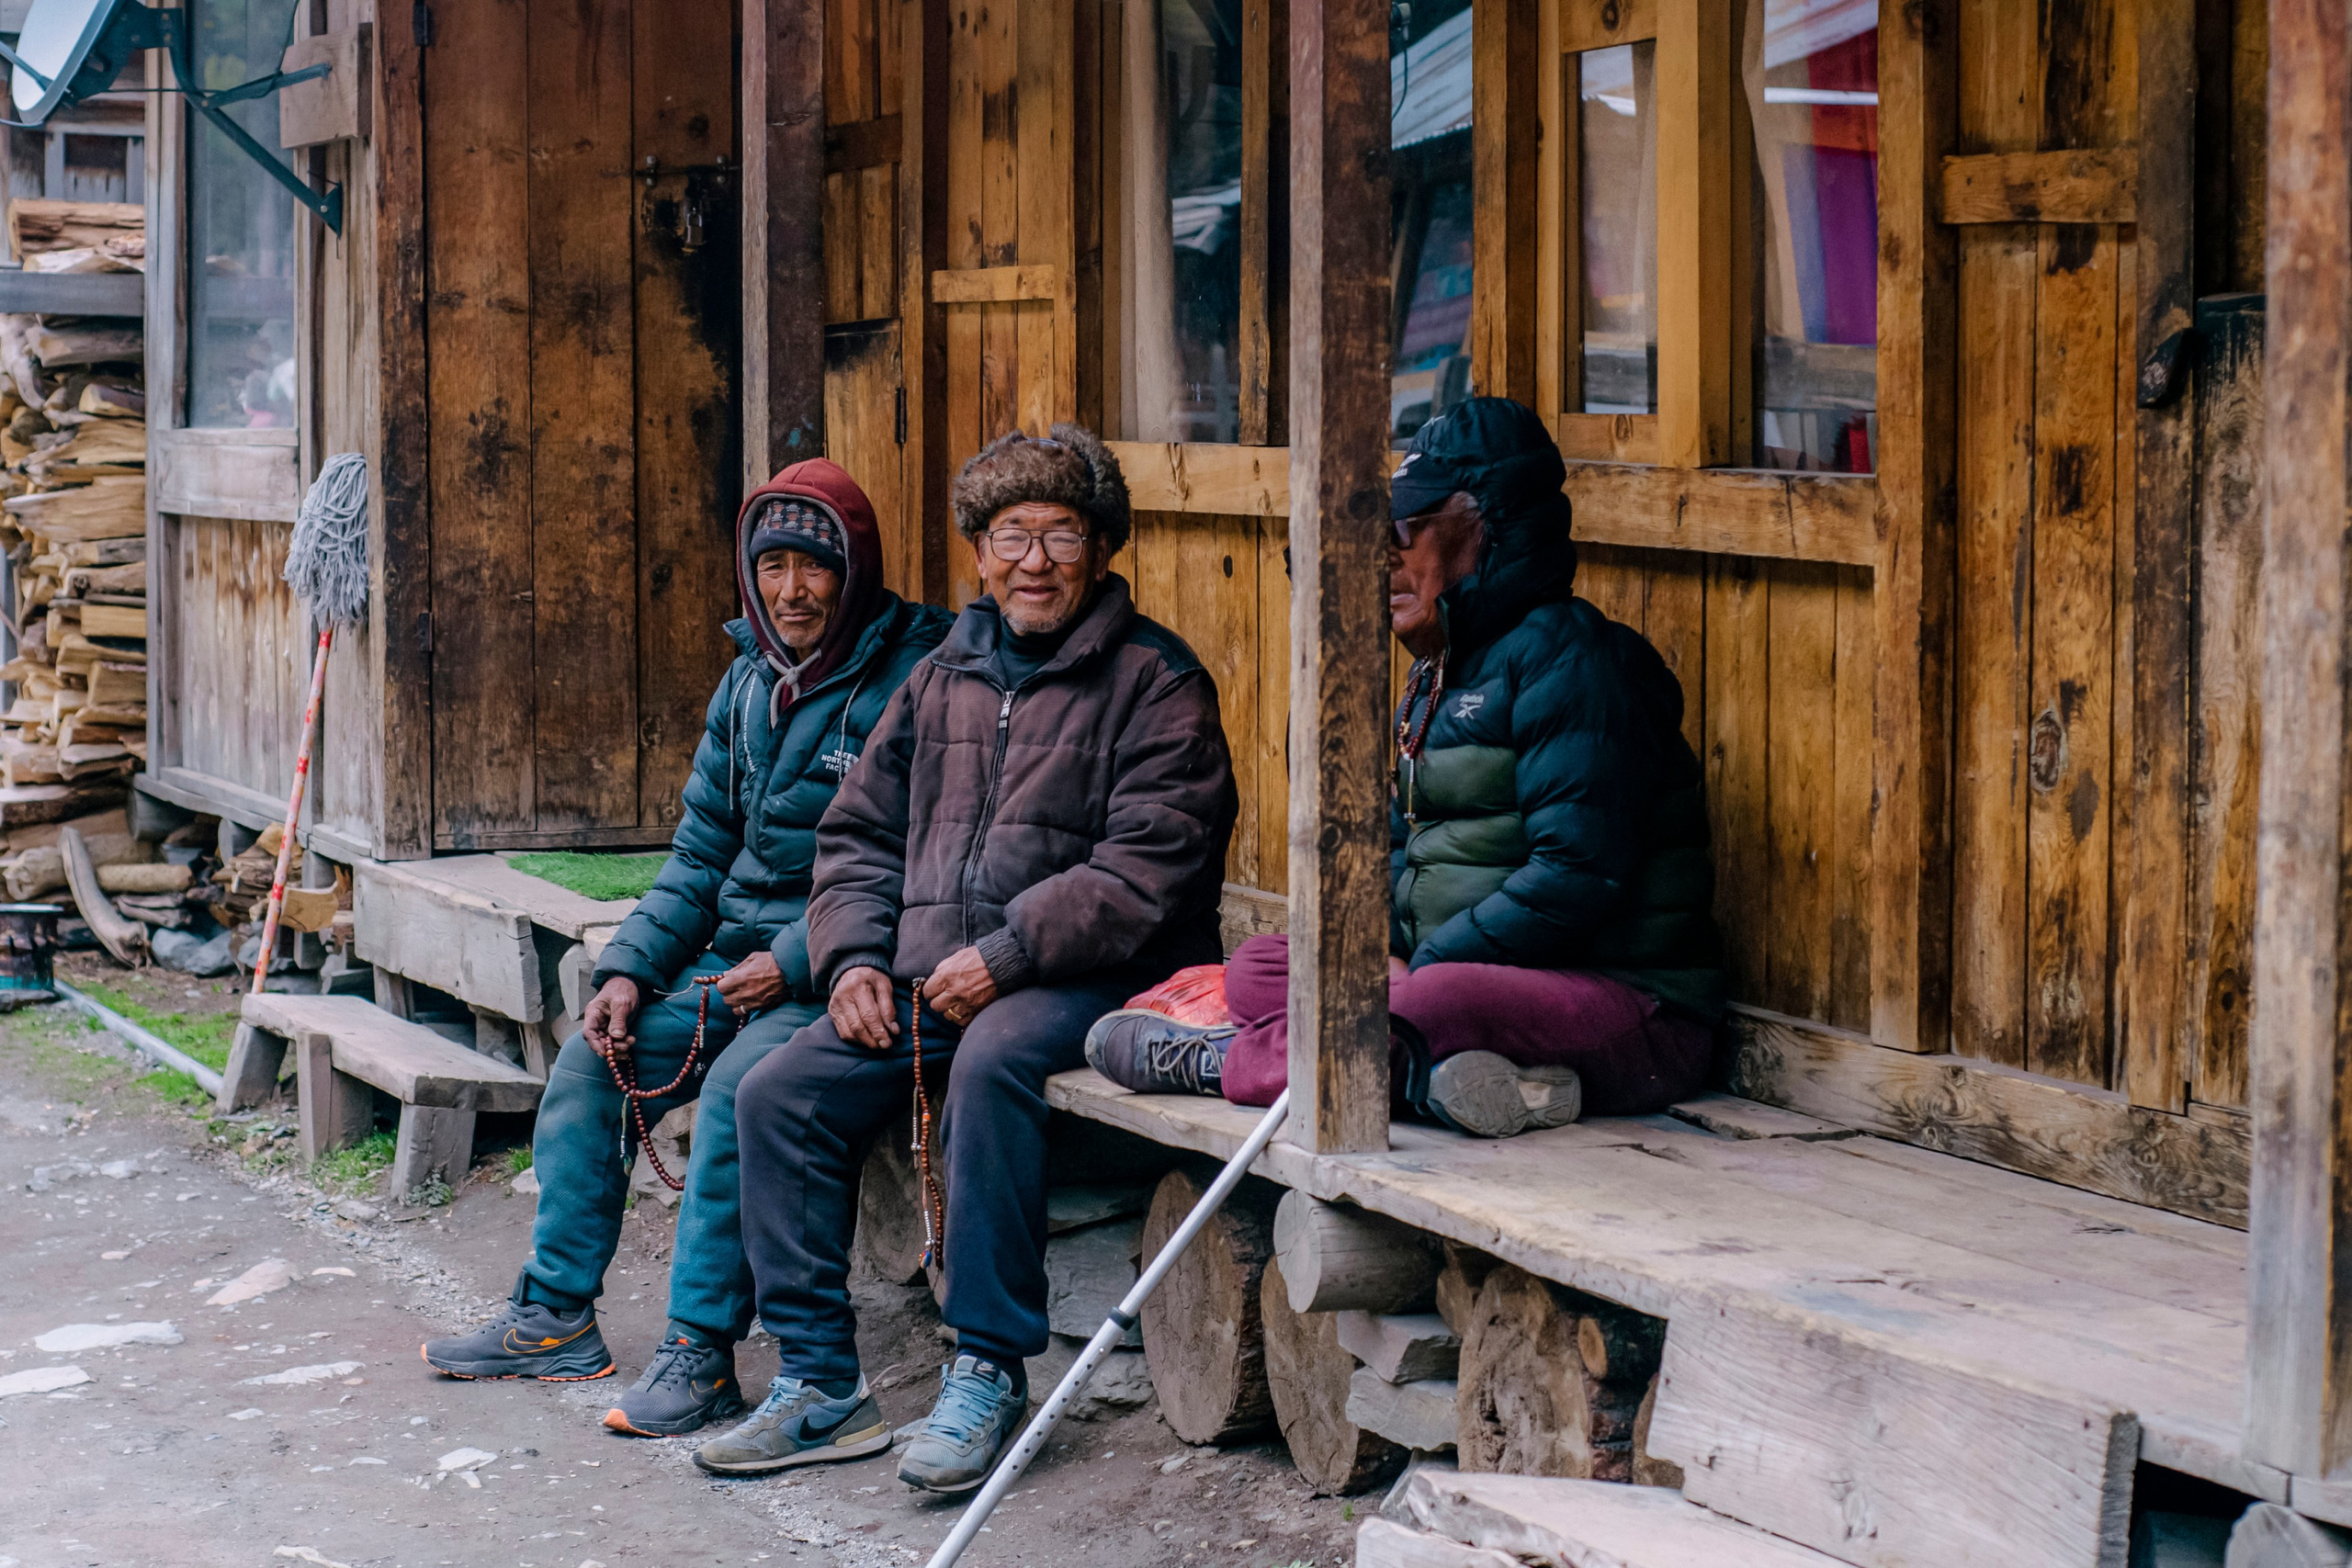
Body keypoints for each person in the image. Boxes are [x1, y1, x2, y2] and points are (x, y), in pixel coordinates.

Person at [693, 424, 1237, 1490]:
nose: (1035, 561)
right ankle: (818, 1386)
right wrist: (850, 960)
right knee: (777, 1091)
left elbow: (1146, 868)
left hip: (1108, 974)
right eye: (1010, 535)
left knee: (993, 1059)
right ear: (978, 553)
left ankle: (986, 1364)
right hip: (937, 971)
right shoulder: (942, 672)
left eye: (1062, 535)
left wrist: (1007, 951)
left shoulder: (1155, 678)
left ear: (1102, 547)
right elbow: (855, 836)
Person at [420, 460, 953, 1439]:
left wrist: (793, 964)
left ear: (857, 570)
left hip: (843, 970)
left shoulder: (915, 685)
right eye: (774, 567)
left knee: (745, 1098)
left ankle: (700, 1355)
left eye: (815, 568)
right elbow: (703, 852)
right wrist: (630, 966)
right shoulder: (750, 682)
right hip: (733, 964)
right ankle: (553, 1318)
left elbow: (920, 864)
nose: (792, 591)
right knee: (594, 1060)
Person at [1087, 396, 1723, 1135]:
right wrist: (1377, 943)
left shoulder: (1575, 660)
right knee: (1264, 966)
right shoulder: (1436, 674)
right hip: (1470, 976)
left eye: (1402, 530)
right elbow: (1392, 849)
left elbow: (1577, 875)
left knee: (1418, 1004)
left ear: (1490, 528)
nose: (1381, 555)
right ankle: (1465, 1083)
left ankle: (1221, 1063)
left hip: (1630, 1002)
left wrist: (1420, 963)